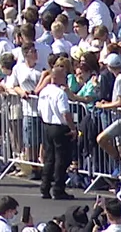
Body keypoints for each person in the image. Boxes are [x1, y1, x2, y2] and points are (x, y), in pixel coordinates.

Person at [37, 62, 76, 200]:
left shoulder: (44, 91)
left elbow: (40, 111)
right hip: (59, 127)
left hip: (47, 125)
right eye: (64, 76)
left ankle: (45, 187)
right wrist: (72, 128)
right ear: (58, 77)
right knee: (61, 159)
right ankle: (58, 189)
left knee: (49, 158)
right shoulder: (60, 93)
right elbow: (65, 112)